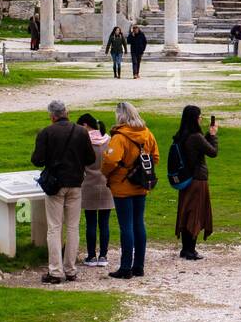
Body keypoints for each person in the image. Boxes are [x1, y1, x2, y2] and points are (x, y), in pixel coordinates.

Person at [30, 100, 96, 283]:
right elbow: (90, 158)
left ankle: (56, 271)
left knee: (54, 228)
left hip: (55, 185)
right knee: (73, 227)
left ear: (52, 116)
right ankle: (70, 269)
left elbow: (37, 160)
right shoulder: (81, 132)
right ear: (67, 112)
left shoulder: (46, 132)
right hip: (75, 183)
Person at [102, 102, 158, 279]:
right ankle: (139, 266)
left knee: (126, 226)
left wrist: (108, 173)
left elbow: (111, 161)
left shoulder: (119, 136)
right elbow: (155, 157)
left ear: (120, 116)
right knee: (139, 223)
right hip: (141, 184)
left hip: (122, 186)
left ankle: (125, 267)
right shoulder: (147, 133)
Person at [172, 107, 218, 260]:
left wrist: (206, 137)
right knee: (195, 214)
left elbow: (199, 146)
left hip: (185, 179)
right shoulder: (196, 137)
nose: (201, 119)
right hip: (197, 180)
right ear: (194, 118)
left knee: (186, 212)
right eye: (199, 117)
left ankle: (185, 248)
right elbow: (213, 152)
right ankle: (190, 250)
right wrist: (212, 135)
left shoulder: (182, 136)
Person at [75, 114, 113, 266]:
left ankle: (91, 256)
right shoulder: (109, 140)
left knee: (90, 222)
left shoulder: (83, 142)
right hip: (106, 184)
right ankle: (103, 256)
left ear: (85, 125)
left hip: (88, 184)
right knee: (104, 223)